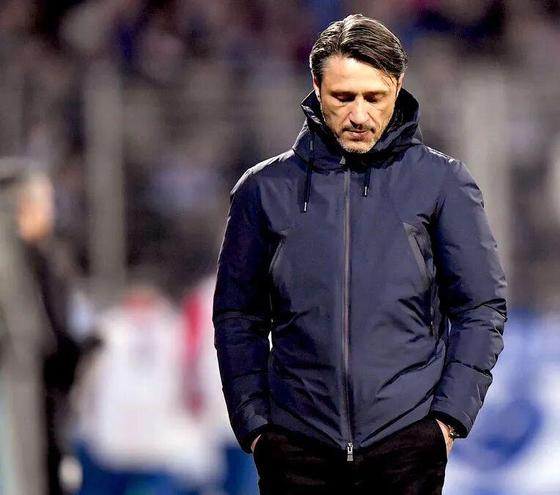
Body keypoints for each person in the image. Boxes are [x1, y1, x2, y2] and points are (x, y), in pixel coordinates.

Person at [213, 14, 507, 494]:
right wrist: (257, 427)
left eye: (374, 97)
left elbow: (481, 307)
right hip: (295, 449)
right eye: (343, 97)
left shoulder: (443, 183)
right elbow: (237, 316)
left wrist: (447, 421)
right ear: (316, 88)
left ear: (398, 87)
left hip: (406, 447)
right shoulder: (263, 190)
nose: (359, 115)